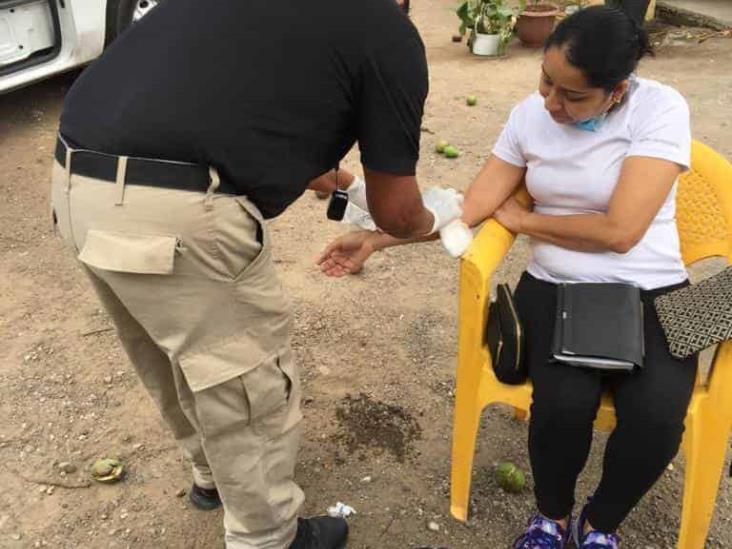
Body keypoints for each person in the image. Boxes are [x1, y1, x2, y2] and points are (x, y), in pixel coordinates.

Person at [49, 0, 465, 547]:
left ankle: (211, 476)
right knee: (242, 380)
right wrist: (443, 215)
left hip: (75, 185)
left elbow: (245, 116)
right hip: (177, 211)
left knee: (170, 350)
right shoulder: (386, 33)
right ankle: (268, 535)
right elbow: (399, 213)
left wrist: (345, 184)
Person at [319, 7, 696, 548]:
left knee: (658, 417)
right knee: (562, 406)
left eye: (573, 96)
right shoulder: (528, 117)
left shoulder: (660, 108)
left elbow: (621, 231)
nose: (552, 104)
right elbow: (469, 209)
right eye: (546, 81)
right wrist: (377, 239)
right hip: (557, 283)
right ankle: (552, 518)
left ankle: (601, 525)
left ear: (617, 91)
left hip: (655, 284)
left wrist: (523, 220)